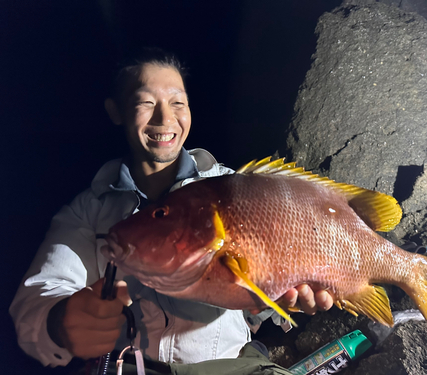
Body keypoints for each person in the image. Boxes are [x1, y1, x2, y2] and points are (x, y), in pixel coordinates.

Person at [10, 48, 334, 372]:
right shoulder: (90, 210)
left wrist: (279, 300)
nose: (165, 119)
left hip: (228, 366)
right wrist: (59, 322)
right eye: (146, 103)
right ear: (116, 111)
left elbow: (269, 292)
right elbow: (37, 298)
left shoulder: (232, 187)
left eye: (177, 103)